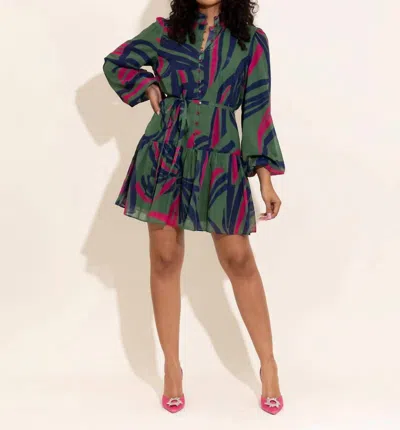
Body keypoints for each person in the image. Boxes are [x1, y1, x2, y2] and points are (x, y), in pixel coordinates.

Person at [103, 0, 285, 414]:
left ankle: (269, 364)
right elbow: (117, 63)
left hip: (220, 157)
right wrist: (146, 85)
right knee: (165, 258)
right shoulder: (166, 32)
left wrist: (265, 178)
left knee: (238, 258)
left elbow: (257, 108)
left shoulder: (250, 41)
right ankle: (172, 367)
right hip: (165, 152)